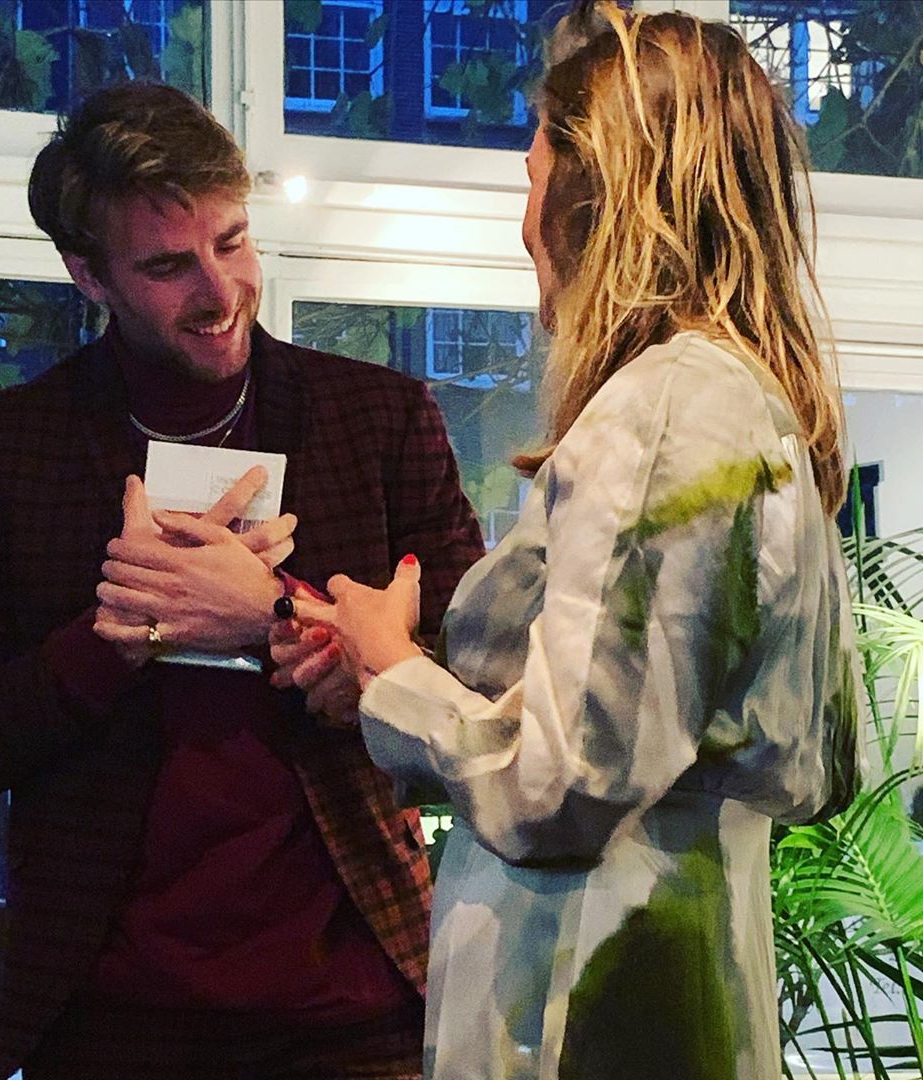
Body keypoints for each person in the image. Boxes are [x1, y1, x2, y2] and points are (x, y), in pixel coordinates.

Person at [275, 5, 866, 1078]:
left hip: (595, 1004)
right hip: (667, 976)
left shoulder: (668, 413)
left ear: (595, 200)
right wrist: (394, 671)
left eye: (532, 179)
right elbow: (795, 756)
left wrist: (393, 666)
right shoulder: (746, 406)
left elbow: (558, 786)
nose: (523, 224)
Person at [0, 82, 483, 1080]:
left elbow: (487, 688)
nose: (219, 290)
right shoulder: (8, 449)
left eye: (233, 241)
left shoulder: (379, 419)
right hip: (107, 1016)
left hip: (356, 1005)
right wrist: (112, 637)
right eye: (167, 266)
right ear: (89, 275)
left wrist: (288, 621)